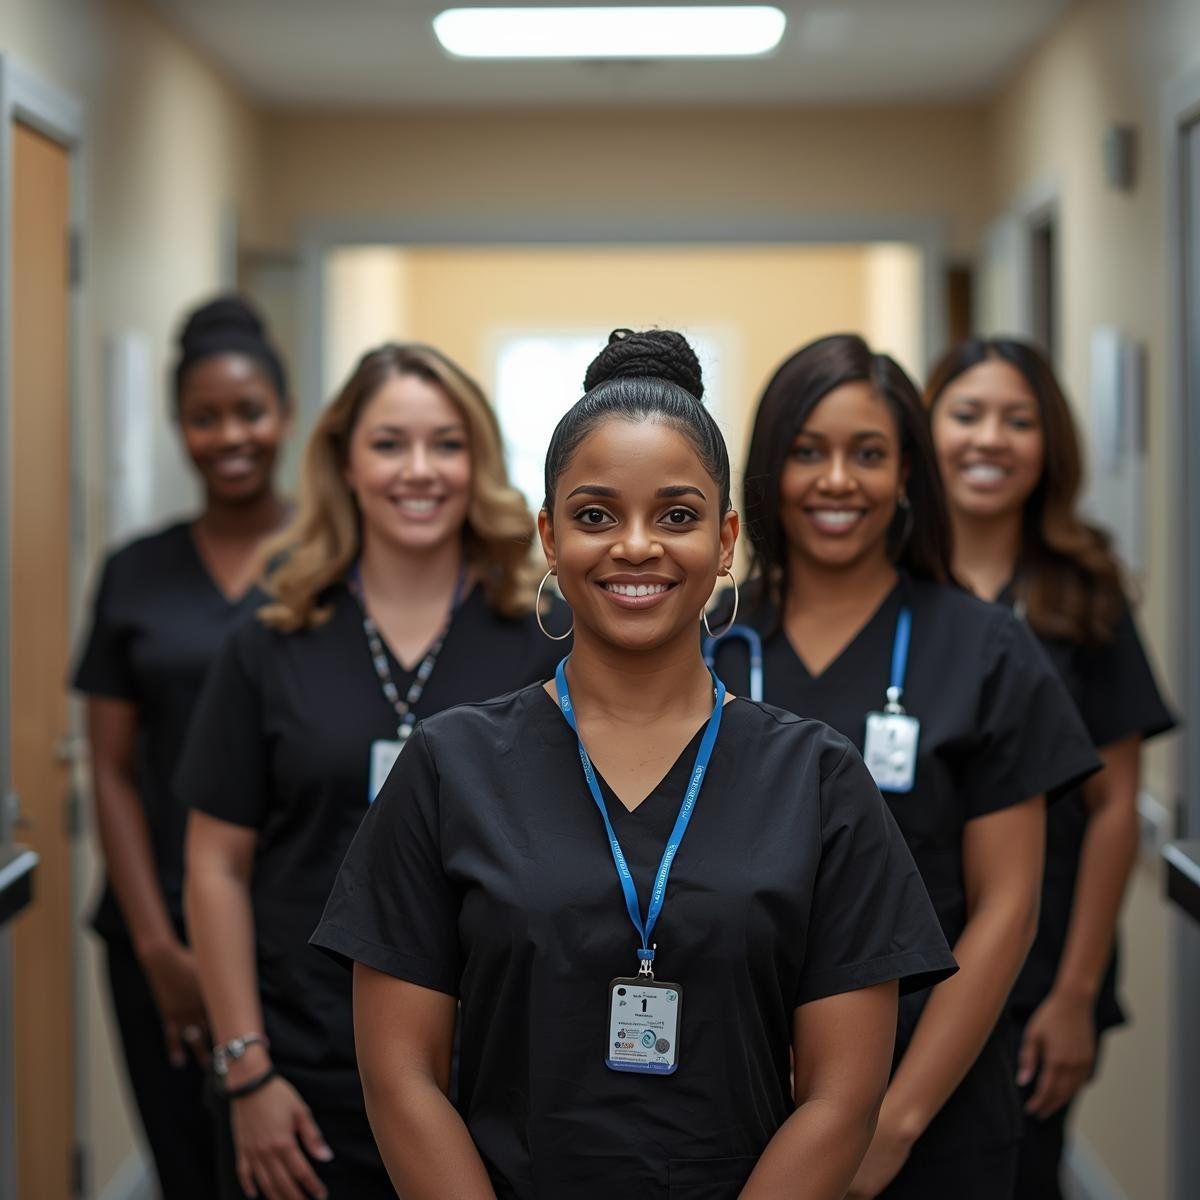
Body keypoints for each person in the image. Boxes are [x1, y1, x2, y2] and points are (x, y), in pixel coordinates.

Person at [311, 328, 957, 1200]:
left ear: (727, 539)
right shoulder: (447, 767)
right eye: (595, 514)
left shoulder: (819, 779)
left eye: (679, 515)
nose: (637, 546)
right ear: (549, 535)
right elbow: (401, 1078)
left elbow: (842, 1100)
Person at [707, 333, 1100, 1199]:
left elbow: (1007, 908)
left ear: (907, 474)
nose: (838, 481)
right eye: (808, 452)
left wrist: (895, 1120)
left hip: (930, 1110)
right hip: (728, 1096)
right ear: (769, 471)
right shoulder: (708, 644)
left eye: (869, 454)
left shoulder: (987, 649)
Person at [179, 342, 566, 1200]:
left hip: (497, 1074)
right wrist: (246, 1072)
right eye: (390, 443)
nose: (419, 470)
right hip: (303, 1075)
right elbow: (214, 864)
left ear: (479, 462)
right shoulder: (270, 639)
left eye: (447, 443)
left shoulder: (546, 642)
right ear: (345, 462)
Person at [923, 336, 1176, 1200]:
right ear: (927, 431)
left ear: (1049, 446)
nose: (989, 438)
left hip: (1040, 972)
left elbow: (1113, 807)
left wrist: (1074, 994)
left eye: (1017, 420)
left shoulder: (1083, 591)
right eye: (966, 414)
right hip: (901, 961)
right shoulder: (886, 587)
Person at [72, 296, 293, 1199]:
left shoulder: (330, 559)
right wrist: (161, 952)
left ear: (284, 414)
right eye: (205, 417)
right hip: (154, 933)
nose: (230, 435)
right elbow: (112, 772)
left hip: (289, 928)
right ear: (179, 428)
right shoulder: (135, 572)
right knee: (188, 1169)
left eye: (250, 411)